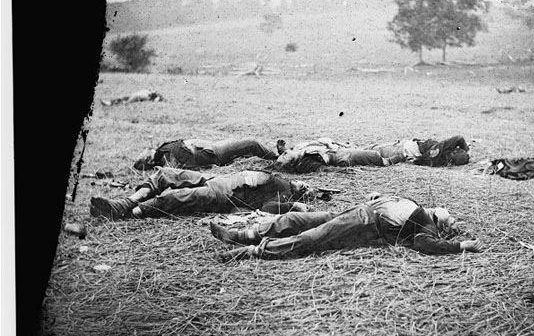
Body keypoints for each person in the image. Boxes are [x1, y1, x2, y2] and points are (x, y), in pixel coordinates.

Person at [210, 192, 482, 261]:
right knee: (298, 219)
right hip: (358, 211)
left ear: (439, 223)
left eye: (448, 218)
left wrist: (460, 246)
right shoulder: (417, 206)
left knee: (311, 237)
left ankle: (251, 251)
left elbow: (426, 244)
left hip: (363, 223)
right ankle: (241, 235)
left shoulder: (426, 225)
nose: (447, 212)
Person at [90, 167, 315, 220]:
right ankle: (129, 200)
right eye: (305, 183)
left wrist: (294, 206)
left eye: (305, 189)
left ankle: (127, 211)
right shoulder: (279, 178)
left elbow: (266, 211)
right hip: (215, 180)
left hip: (221, 196)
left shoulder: (283, 194)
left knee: (177, 197)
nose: (303, 185)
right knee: (166, 173)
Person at [134, 138, 279, 171]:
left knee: (246, 148)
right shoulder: (166, 159)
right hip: (213, 152)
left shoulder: (164, 152)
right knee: (251, 144)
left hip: (210, 148)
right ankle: (277, 158)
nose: (149, 149)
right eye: (147, 153)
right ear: (149, 159)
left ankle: (273, 151)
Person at [274, 137, 404, 173]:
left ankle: (398, 149)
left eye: (284, 153)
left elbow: (288, 153)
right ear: (291, 163)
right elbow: (325, 169)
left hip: (341, 148)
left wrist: (282, 151)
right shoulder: (305, 162)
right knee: (376, 156)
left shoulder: (298, 150)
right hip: (345, 156)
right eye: (284, 155)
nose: (285, 153)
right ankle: (402, 157)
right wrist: (346, 171)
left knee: (376, 147)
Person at [363, 135, 470, 167]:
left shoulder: (439, 151)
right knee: (372, 150)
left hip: (401, 149)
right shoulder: (440, 161)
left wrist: (466, 151)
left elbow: (459, 138)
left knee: (371, 151)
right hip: (404, 149)